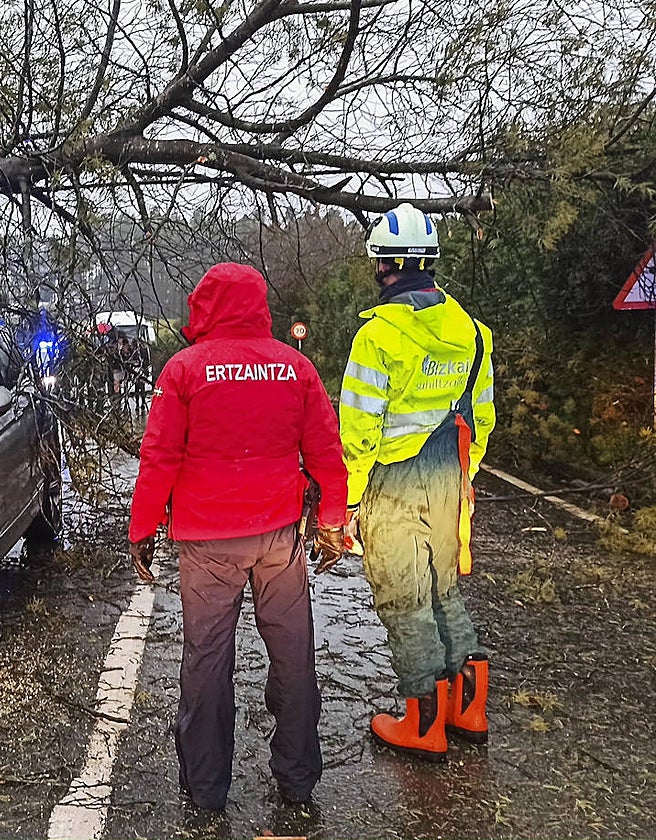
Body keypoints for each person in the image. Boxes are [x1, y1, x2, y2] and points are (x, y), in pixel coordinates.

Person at [128, 262, 348, 809]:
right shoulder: (296, 368)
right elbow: (327, 452)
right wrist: (332, 521)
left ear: (204, 306)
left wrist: (142, 528)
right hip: (278, 538)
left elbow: (159, 458)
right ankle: (297, 779)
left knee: (207, 660)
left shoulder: (184, 370)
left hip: (207, 544)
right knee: (293, 654)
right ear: (258, 306)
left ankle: (206, 790)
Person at [339, 202, 496, 760]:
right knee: (444, 590)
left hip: (393, 484)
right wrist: (463, 479)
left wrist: (348, 502)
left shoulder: (377, 337)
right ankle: (468, 711)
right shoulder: (474, 333)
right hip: (449, 476)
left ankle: (423, 726)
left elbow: (359, 431)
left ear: (383, 265)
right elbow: (481, 420)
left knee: (404, 600)